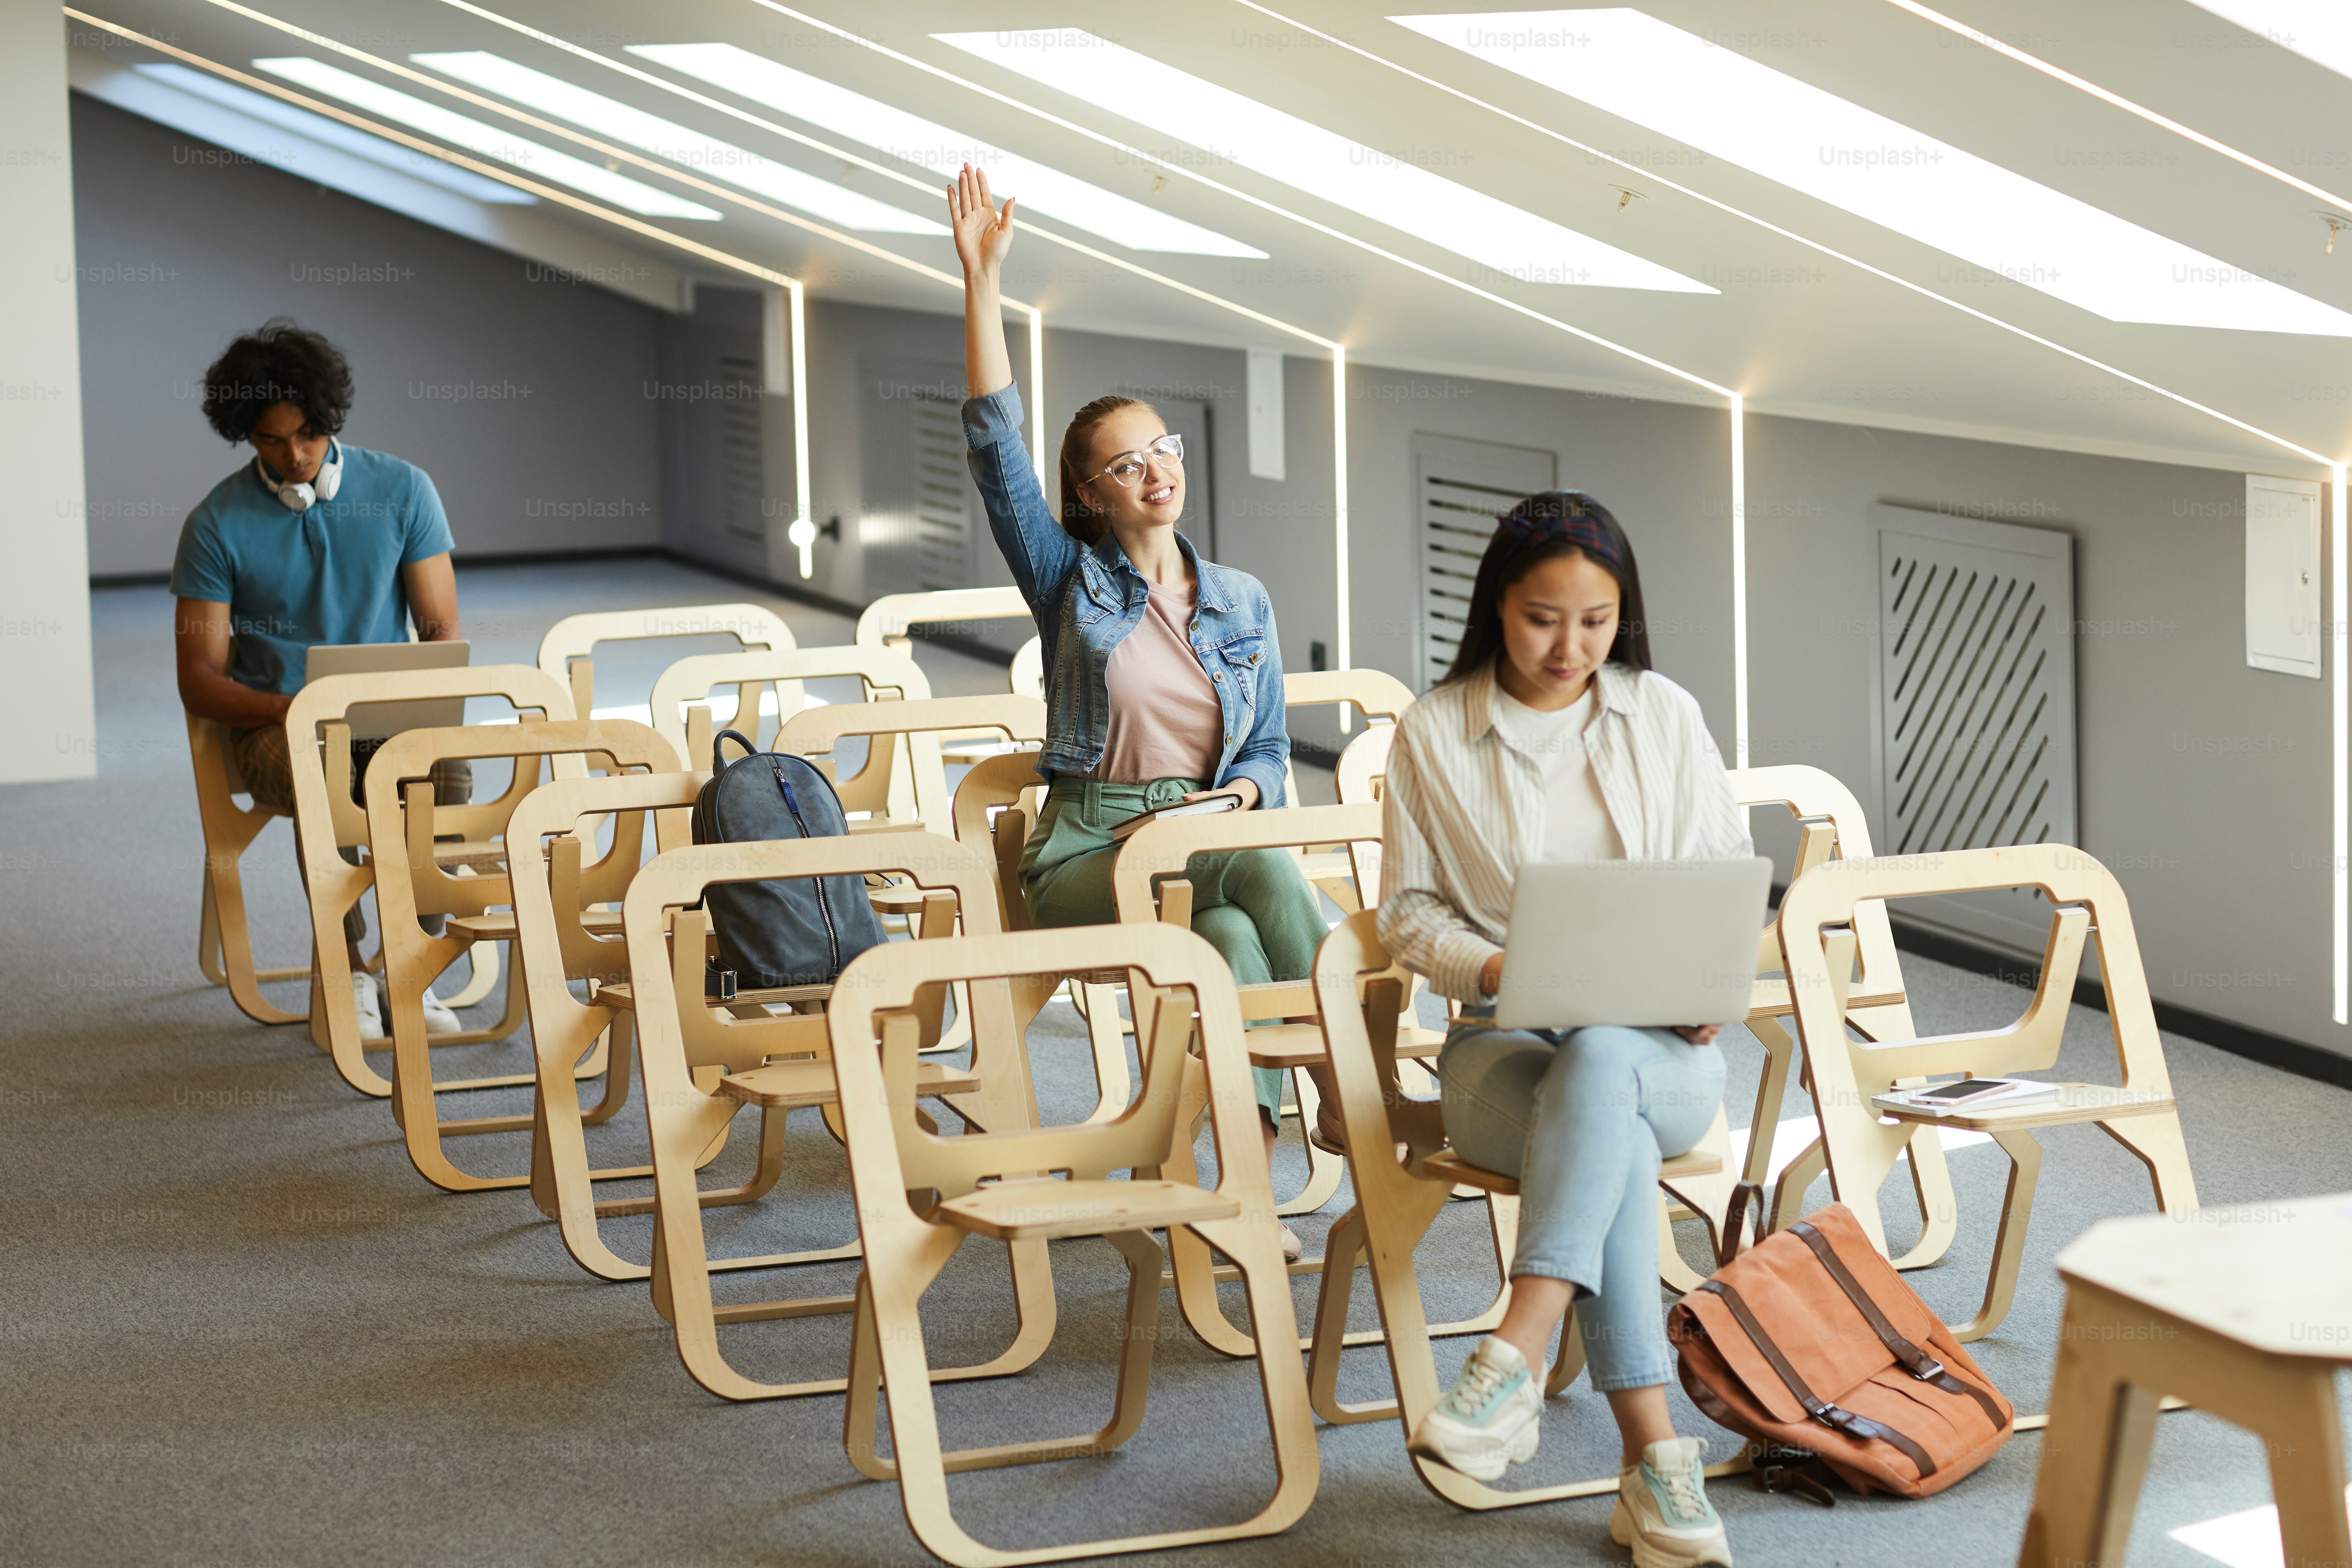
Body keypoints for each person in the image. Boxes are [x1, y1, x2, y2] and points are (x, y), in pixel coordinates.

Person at [950, 166, 1334, 1253]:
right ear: (1091, 498)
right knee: (1260, 870)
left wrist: (1244, 793)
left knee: (1224, 937)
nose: (1156, 470)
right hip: (1088, 851)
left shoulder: (1243, 600)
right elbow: (993, 447)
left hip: (1196, 839)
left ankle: (1246, 1192)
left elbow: (1262, 751)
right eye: (1126, 464)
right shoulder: (1068, 577)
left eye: (1162, 448)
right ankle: (1356, 1067)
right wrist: (982, 281)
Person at [1379, 492, 1747, 1568]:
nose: (1569, 647)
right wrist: (1498, 965)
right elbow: (1406, 913)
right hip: (1506, 1047)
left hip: (1663, 1054)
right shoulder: (1434, 728)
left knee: (1607, 1067)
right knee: (1607, 1122)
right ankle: (1657, 1469)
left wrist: (1710, 982)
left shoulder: (1663, 713)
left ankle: (1517, 1348)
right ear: (1498, 605)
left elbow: (1728, 887)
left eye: (1596, 622)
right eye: (1544, 618)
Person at [171, 319, 471, 1039]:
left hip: (384, 718)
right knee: (323, 771)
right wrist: (293, 707)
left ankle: (411, 959)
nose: (296, 455)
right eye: (272, 440)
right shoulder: (215, 524)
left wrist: (419, 696)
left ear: (330, 418)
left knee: (450, 775)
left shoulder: (404, 490)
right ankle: (349, 972)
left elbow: (440, 631)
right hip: (276, 727)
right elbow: (199, 679)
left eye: (307, 433)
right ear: (246, 435)